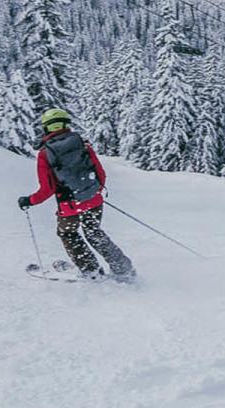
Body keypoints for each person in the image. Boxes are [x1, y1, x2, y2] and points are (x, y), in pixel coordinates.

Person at [17, 108, 136, 282]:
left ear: (46, 128)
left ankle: (91, 270)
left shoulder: (45, 154)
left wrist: (29, 200)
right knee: (94, 232)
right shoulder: (82, 144)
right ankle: (123, 268)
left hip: (69, 206)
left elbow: (47, 189)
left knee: (68, 233)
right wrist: (93, 192)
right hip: (93, 201)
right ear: (66, 124)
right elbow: (100, 173)